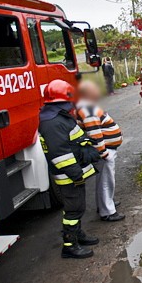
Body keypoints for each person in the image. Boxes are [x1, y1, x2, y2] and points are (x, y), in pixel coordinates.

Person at [38, 79, 102, 259]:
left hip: (72, 173)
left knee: (77, 206)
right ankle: (70, 245)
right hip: (69, 175)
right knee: (73, 209)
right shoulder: (53, 122)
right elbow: (60, 154)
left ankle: (78, 235)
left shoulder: (56, 116)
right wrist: (76, 174)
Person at [76, 80, 125, 222]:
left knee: (103, 180)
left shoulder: (87, 107)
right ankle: (107, 211)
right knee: (106, 181)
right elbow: (95, 134)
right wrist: (103, 153)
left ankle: (105, 204)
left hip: (107, 149)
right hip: (106, 151)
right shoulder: (88, 110)